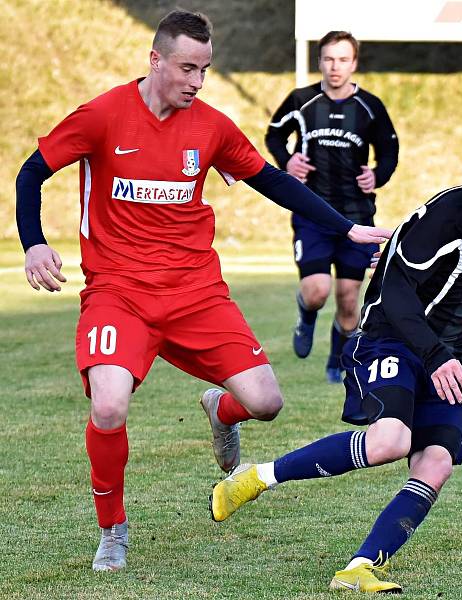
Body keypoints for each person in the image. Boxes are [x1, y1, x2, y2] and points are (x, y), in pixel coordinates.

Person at [14, 10, 391, 573]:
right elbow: (30, 174)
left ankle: (221, 409)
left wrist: (346, 227)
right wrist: (34, 243)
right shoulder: (102, 116)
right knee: (110, 406)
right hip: (119, 292)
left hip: (195, 291)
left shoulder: (210, 126)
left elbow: (273, 180)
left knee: (267, 403)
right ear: (156, 60)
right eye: (187, 68)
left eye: (205, 70)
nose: (196, 81)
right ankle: (113, 530)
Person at [210, 126, 462, 593]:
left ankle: (360, 567)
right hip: (393, 341)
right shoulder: (453, 212)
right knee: (390, 439)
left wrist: (449, 354)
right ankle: (259, 477)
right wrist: (433, 353)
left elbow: (438, 275)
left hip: (451, 361)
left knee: (436, 463)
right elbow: (395, 292)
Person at [266, 31, 399, 384]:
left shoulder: (370, 107)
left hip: (357, 214)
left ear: (353, 64)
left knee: (347, 299)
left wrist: (378, 175)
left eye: (342, 59)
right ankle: (306, 316)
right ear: (319, 61)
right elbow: (274, 135)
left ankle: (338, 361)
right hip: (312, 213)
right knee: (317, 291)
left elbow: (389, 152)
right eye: (328, 58)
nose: (334, 66)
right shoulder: (301, 100)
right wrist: (287, 161)